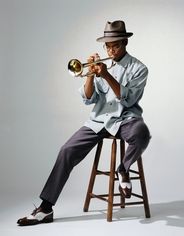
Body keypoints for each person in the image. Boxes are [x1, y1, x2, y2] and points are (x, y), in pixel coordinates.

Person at [17, 20, 151, 226]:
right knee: (66, 150)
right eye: (107, 45)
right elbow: (88, 98)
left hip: (125, 119)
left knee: (142, 132)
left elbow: (129, 100)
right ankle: (45, 208)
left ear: (125, 42)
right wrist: (89, 75)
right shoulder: (100, 66)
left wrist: (105, 74)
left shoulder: (139, 68)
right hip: (98, 120)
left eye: (115, 44)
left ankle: (123, 169)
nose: (111, 49)